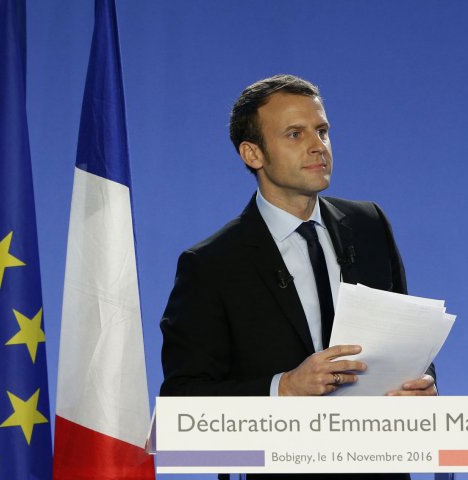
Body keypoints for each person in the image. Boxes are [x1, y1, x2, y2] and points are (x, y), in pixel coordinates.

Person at [159, 74, 436, 479]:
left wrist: (422, 385)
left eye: (322, 131)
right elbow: (183, 401)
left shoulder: (369, 224)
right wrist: (284, 388)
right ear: (253, 153)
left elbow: (406, 340)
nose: (317, 146)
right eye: (295, 134)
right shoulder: (212, 264)